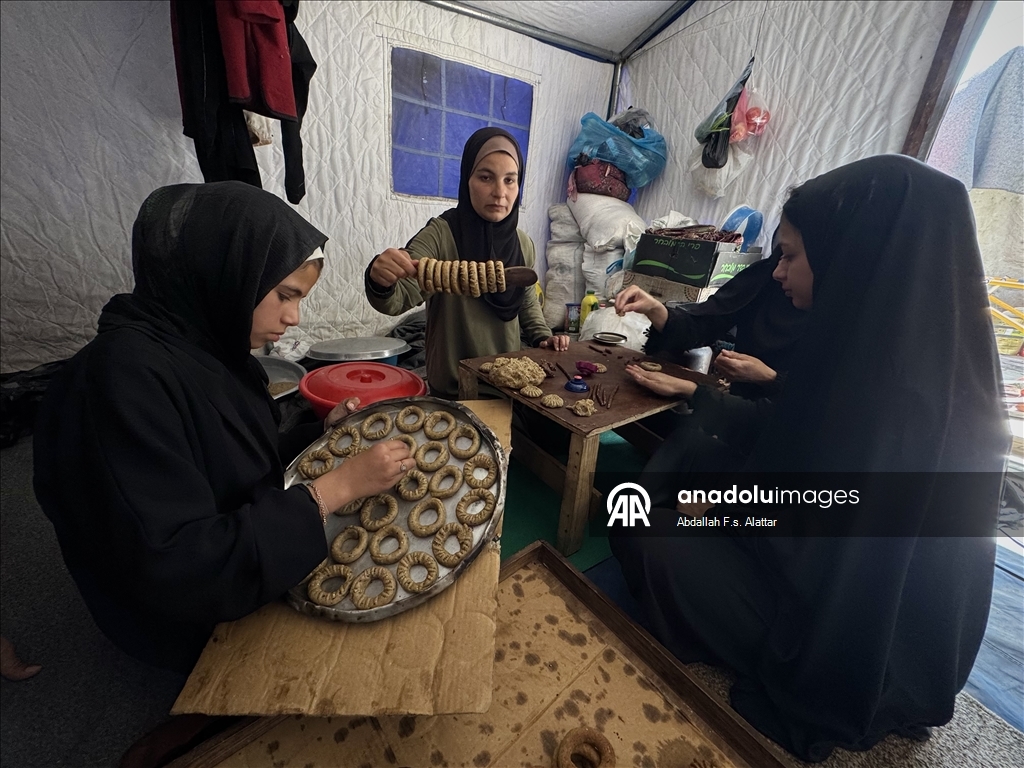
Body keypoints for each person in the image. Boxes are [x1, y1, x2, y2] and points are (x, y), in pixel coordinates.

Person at [612, 155, 1008, 761]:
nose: (778, 272)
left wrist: (725, 507)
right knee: (686, 466)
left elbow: (822, 532)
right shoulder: (881, 347)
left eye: (793, 255)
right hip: (816, 542)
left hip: (844, 631)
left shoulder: (897, 402)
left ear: (853, 254)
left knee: (642, 526)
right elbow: (797, 446)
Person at [33, 182, 412, 673]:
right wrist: (330, 491)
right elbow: (176, 566)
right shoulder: (117, 384)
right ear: (227, 271)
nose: (294, 318)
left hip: (245, 545)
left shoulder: (208, 349)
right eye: (284, 295)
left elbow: (225, 461)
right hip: (184, 613)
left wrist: (319, 434)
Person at [364, 127, 568, 399]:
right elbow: (398, 298)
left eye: (510, 180)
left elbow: (527, 300)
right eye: (486, 177)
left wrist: (544, 336)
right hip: (453, 390)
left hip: (507, 388)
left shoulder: (522, 243)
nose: (499, 192)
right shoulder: (441, 235)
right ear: (467, 179)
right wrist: (380, 279)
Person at [615, 232, 808, 401]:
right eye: (781, 254)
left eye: (790, 256)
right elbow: (705, 324)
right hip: (733, 413)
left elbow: (804, 405)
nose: (778, 272)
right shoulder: (764, 278)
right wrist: (654, 308)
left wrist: (770, 377)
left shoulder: (834, 330)